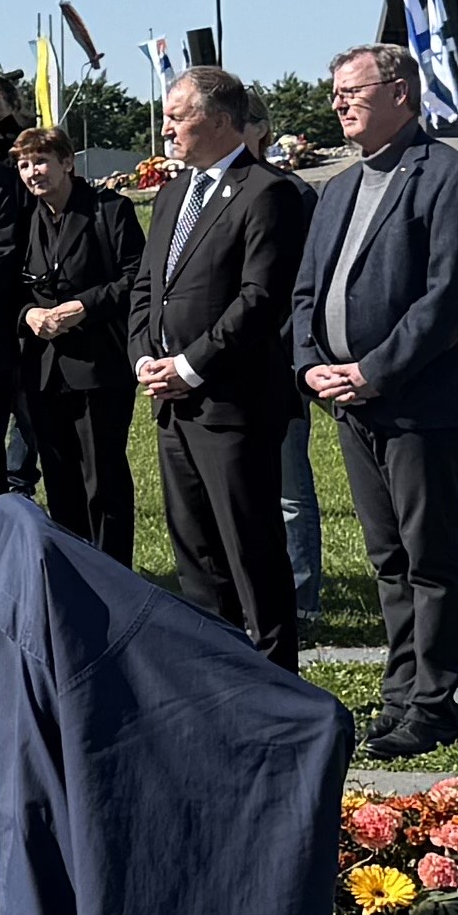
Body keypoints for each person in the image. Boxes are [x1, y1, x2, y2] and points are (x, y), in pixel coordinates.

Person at [291, 41, 458, 754]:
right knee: (387, 556)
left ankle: (432, 706)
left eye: (352, 91)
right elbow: (306, 293)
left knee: (430, 555)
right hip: (350, 399)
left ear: (401, 93)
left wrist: (376, 369)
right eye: (335, 94)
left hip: (421, 400)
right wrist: (311, 365)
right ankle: (399, 693)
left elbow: (450, 299)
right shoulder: (339, 188)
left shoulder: (449, 178)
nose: (340, 104)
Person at [131, 64, 311, 665]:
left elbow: (261, 299)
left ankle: (274, 682)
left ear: (219, 119)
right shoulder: (174, 192)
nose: (166, 127)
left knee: (249, 549)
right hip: (170, 401)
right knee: (196, 554)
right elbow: (146, 285)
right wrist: (144, 358)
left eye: (177, 115)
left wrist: (190, 365)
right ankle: (216, 676)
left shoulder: (267, 193)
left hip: (231, 404)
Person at [3, 120, 146, 561]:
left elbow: (137, 278)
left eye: (41, 161)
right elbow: (4, 287)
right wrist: (30, 315)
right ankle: (75, 571)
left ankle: (114, 572)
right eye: (25, 165)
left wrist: (83, 306)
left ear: (67, 163)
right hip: (43, 370)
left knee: (102, 477)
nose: (33, 173)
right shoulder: (22, 218)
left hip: (99, 368)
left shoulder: (109, 210)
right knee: (60, 477)